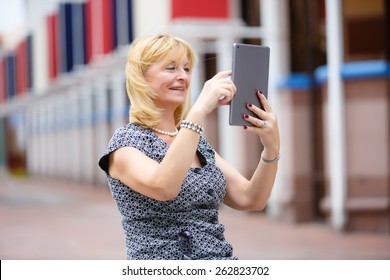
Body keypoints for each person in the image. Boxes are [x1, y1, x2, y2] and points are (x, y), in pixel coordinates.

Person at [98, 34, 280, 260]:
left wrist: (271, 149)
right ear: (141, 78)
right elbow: (164, 187)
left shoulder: (197, 143)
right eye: (171, 68)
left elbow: (251, 199)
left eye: (186, 69)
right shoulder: (125, 144)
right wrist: (199, 110)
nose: (182, 76)